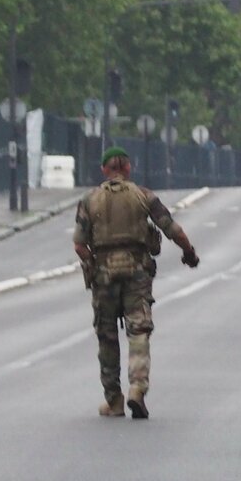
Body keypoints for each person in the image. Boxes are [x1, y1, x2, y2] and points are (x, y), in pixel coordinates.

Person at [73, 147, 200, 420]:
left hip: (104, 277)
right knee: (139, 330)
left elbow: (79, 245)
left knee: (107, 336)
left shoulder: (89, 200)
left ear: (104, 170)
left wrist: (94, 264)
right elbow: (172, 229)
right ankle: (137, 388)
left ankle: (114, 400)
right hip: (137, 274)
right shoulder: (144, 196)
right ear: (129, 168)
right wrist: (189, 252)